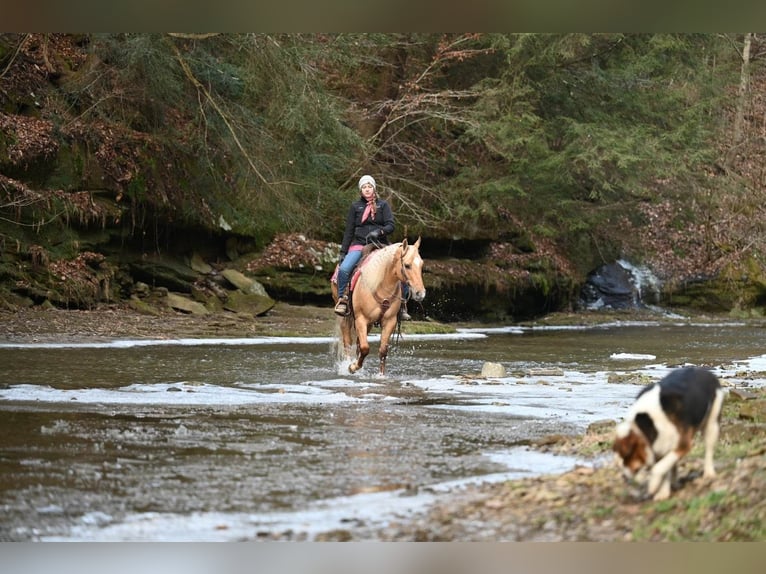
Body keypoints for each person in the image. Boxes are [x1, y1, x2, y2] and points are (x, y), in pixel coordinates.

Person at [334, 175, 411, 320]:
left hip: (379, 245)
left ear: (374, 188)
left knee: (400, 269)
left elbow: (390, 225)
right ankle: (343, 299)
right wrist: (343, 251)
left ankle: (402, 305)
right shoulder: (355, 207)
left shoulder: (383, 205)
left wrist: (379, 231)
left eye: (369, 186)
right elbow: (349, 231)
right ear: (360, 190)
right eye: (364, 187)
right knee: (344, 269)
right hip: (359, 244)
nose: (367, 189)